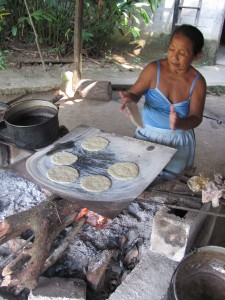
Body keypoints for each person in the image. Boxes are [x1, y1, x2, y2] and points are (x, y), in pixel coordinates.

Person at [119, 24, 206, 178]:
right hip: (146, 134)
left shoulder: (197, 83)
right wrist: (129, 99)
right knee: (139, 175)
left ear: (196, 56)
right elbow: (135, 93)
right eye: (172, 49)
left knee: (169, 183)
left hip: (177, 141)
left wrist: (179, 123)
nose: (174, 57)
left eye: (182, 53)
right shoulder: (154, 70)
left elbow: (196, 117)